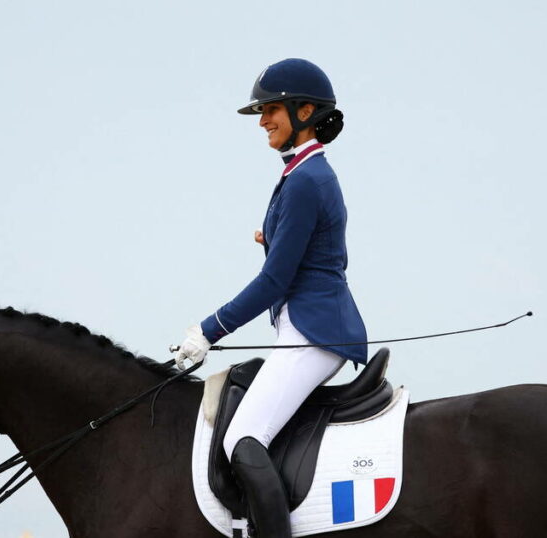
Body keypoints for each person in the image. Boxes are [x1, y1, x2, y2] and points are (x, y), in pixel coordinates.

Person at [175, 58, 367, 538]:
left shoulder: (306, 180)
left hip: (315, 331)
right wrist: (277, 239)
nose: (262, 121)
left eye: (270, 110)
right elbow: (314, 252)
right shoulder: (300, 175)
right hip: (306, 325)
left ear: (304, 110)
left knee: (241, 438)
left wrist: (208, 329)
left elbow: (275, 282)